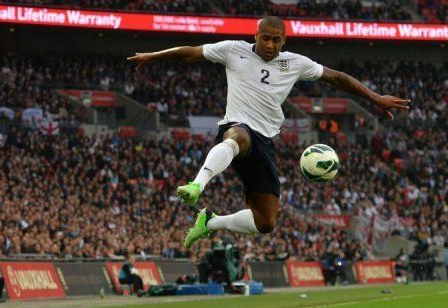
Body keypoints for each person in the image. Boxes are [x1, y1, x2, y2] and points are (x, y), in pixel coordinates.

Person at [128, 16, 410, 248]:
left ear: (283, 41)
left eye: (276, 40)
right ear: (257, 35)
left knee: (266, 222)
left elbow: (336, 77)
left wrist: (375, 98)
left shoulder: (294, 63)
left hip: (265, 142)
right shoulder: (233, 50)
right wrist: (153, 55)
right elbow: (190, 52)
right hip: (238, 127)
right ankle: (196, 186)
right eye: (266, 38)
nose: (270, 44)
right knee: (237, 137)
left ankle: (210, 221)